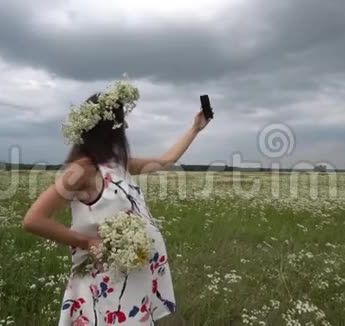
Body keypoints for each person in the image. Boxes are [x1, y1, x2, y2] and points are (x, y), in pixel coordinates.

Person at [23, 80, 211, 325]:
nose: (125, 128)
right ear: (108, 127)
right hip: (104, 283)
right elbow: (33, 219)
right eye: (121, 122)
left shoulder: (118, 163)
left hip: (131, 277)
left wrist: (195, 128)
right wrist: (87, 242)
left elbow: (165, 161)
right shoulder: (82, 170)